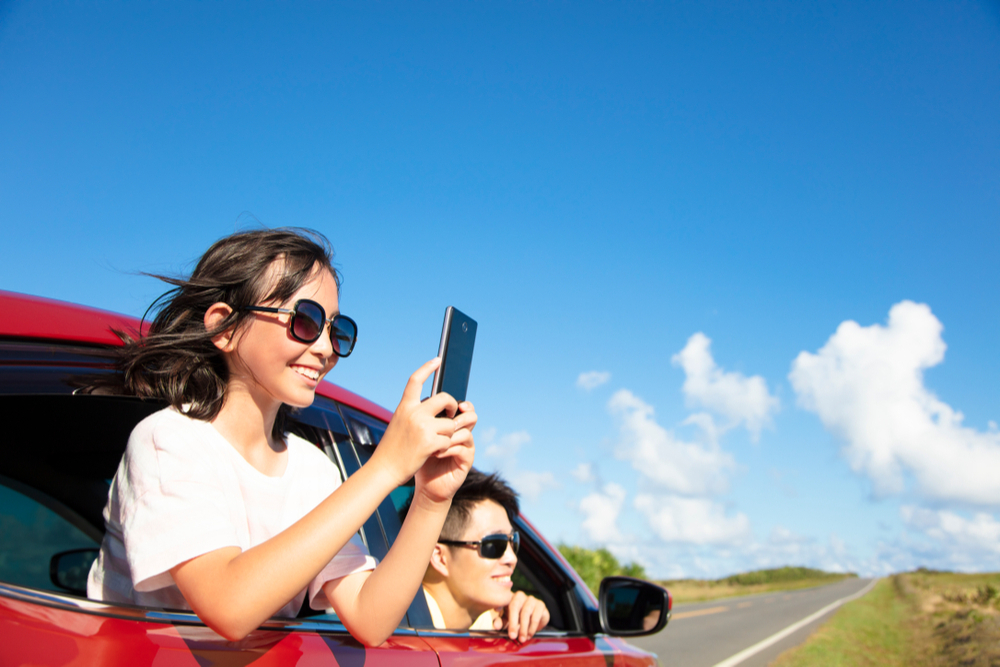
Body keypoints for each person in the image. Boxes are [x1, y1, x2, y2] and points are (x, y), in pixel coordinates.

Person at [86, 228, 477, 647]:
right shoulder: (168, 440)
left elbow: (370, 619)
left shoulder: (313, 469)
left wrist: (432, 501)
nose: (326, 348)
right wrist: (385, 466)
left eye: (337, 329)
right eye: (305, 320)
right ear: (225, 328)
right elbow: (229, 607)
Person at [420, 469, 550, 642]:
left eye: (513, 542)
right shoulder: (395, 619)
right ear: (439, 557)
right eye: (494, 545)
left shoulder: (483, 618)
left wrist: (533, 613)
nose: (512, 558)